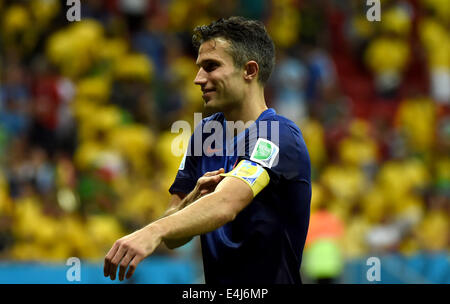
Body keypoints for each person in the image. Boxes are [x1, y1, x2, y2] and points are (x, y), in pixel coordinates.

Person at [103, 16, 311, 284]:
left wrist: (152, 231)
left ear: (249, 70)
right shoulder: (204, 134)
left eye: (211, 67)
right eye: (199, 67)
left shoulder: (279, 136)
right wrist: (191, 201)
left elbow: (226, 204)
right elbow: (176, 237)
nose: (198, 78)